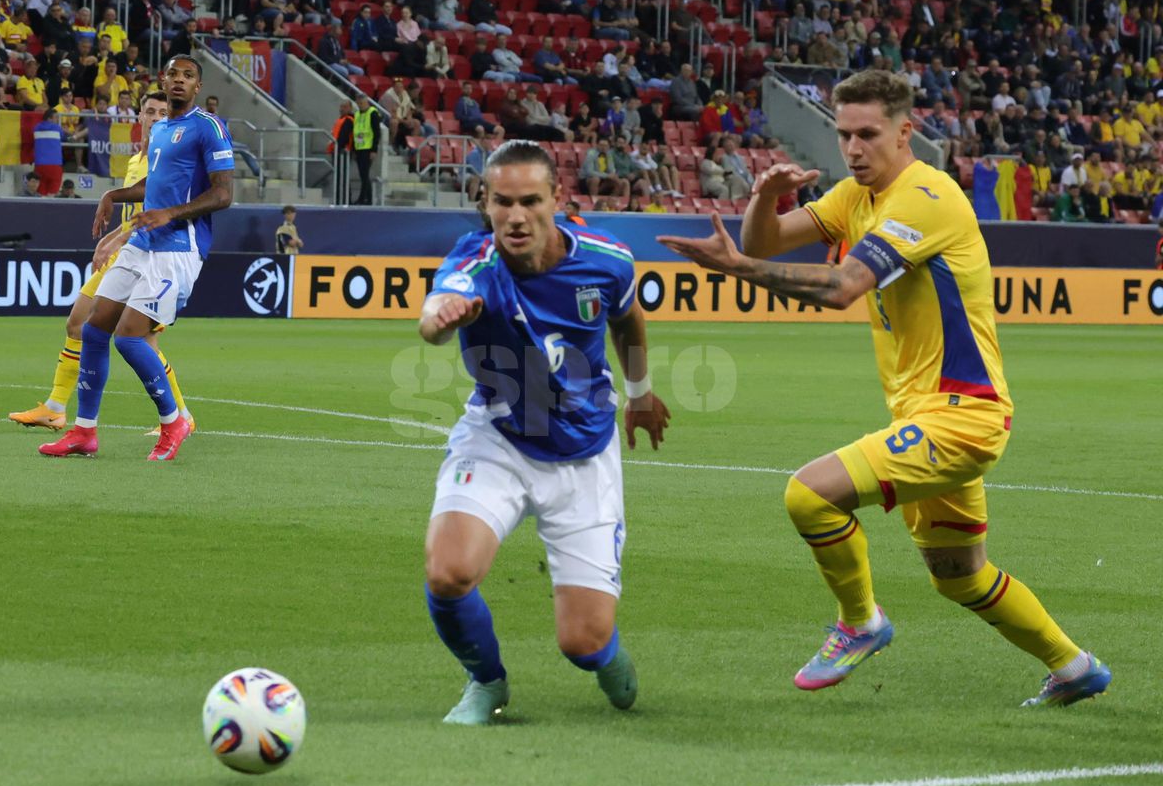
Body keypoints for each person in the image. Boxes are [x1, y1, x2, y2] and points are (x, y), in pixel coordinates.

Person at [657, 69, 1111, 707]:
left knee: (809, 495)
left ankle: (860, 623)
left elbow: (843, 287)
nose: (852, 148)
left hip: (961, 416)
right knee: (959, 576)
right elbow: (767, 242)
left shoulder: (926, 196)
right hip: (930, 415)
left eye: (867, 134)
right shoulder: (855, 195)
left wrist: (738, 269)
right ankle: (1074, 667)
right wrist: (764, 197)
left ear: (905, 132)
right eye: (844, 134)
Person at [417, 139, 670, 725]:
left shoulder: (606, 260)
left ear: (558, 198)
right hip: (499, 436)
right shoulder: (475, 263)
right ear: (485, 202)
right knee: (448, 572)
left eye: (530, 201)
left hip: (585, 452)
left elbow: (627, 317)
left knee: (583, 643)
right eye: (502, 202)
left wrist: (639, 393)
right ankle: (486, 683)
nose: (515, 216)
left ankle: (605, 656)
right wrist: (441, 319)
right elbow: (435, 314)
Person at [39, 56, 234, 461]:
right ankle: (84, 432)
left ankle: (174, 422)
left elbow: (223, 194)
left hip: (178, 249)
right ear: (163, 79)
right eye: (173, 74)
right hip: (142, 243)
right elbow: (154, 184)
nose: (179, 80)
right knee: (94, 329)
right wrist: (113, 195)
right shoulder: (161, 129)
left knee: (129, 338)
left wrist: (169, 214)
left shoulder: (209, 127)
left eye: (188, 76)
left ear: (197, 87)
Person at [10, 93, 194, 436]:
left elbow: (157, 214)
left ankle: (181, 415)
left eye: (162, 112)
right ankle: (55, 408)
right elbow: (134, 213)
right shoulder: (137, 159)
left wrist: (115, 240)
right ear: (139, 116)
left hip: (154, 258)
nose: (155, 117)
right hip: (125, 254)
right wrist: (113, 238)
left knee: (145, 342)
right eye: (150, 111)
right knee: (77, 324)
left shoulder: (168, 159)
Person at [352, 93, 380, 205]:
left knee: (364, 174)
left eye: (362, 103)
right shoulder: (357, 114)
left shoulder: (372, 113)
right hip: (359, 147)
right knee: (363, 174)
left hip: (368, 148)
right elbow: (355, 132)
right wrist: (354, 149)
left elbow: (376, 132)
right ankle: (368, 198)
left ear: (367, 102)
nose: (360, 105)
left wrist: (374, 149)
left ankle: (363, 198)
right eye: (358, 103)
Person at [32, 108, 65, 196]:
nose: (57, 120)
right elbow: (63, 136)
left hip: (39, 165)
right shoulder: (57, 128)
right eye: (56, 117)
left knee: (40, 194)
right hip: (55, 165)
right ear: (49, 118)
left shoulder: (36, 128)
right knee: (52, 195)